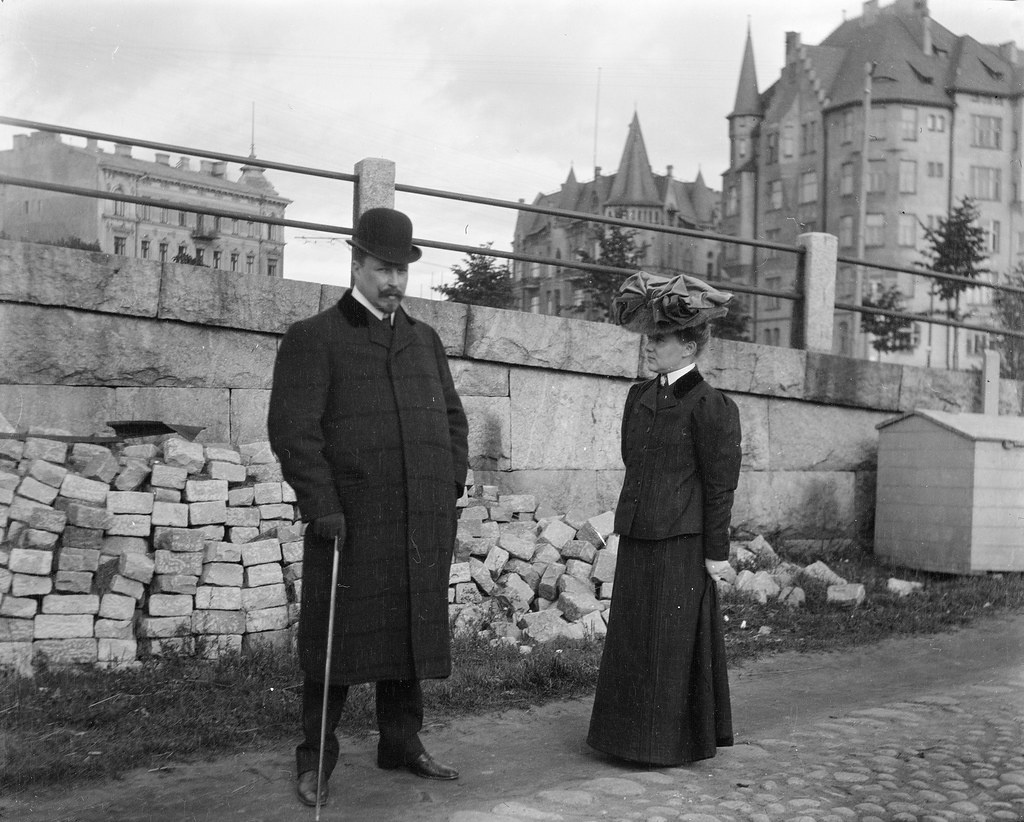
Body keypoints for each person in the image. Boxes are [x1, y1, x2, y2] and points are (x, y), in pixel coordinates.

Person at [267, 207, 469, 808]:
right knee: (334, 643)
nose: (394, 282)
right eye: (383, 268)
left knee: (407, 634)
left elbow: (452, 420)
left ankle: (400, 742)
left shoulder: (424, 340)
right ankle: (316, 759)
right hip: (349, 523)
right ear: (356, 265)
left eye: (402, 270)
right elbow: (293, 432)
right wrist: (322, 505)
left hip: (418, 518)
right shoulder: (313, 338)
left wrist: (448, 485)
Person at [587, 270, 741, 767]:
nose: (649, 346)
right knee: (633, 639)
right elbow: (633, 461)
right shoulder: (639, 396)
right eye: (649, 337)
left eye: (660, 339)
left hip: (681, 543)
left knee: (669, 645)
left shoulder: (712, 406)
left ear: (690, 347)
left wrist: (716, 553)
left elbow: (719, 486)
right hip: (638, 535)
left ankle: (665, 745)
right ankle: (624, 740)